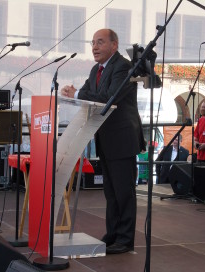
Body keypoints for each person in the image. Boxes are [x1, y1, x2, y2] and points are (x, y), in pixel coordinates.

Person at [61, 28, 145, 254]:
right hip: (105, 136)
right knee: (110, 191)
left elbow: (109, 97)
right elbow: (88, 92)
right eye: (92, 43)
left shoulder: (123, 67)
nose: (94, 47)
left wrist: (77, 94)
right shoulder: (95, 69)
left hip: (122, 138)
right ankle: (112, 235)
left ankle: (125, 240)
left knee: (123, 191)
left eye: (100, 42)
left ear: (114, 45)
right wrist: (73, 93)